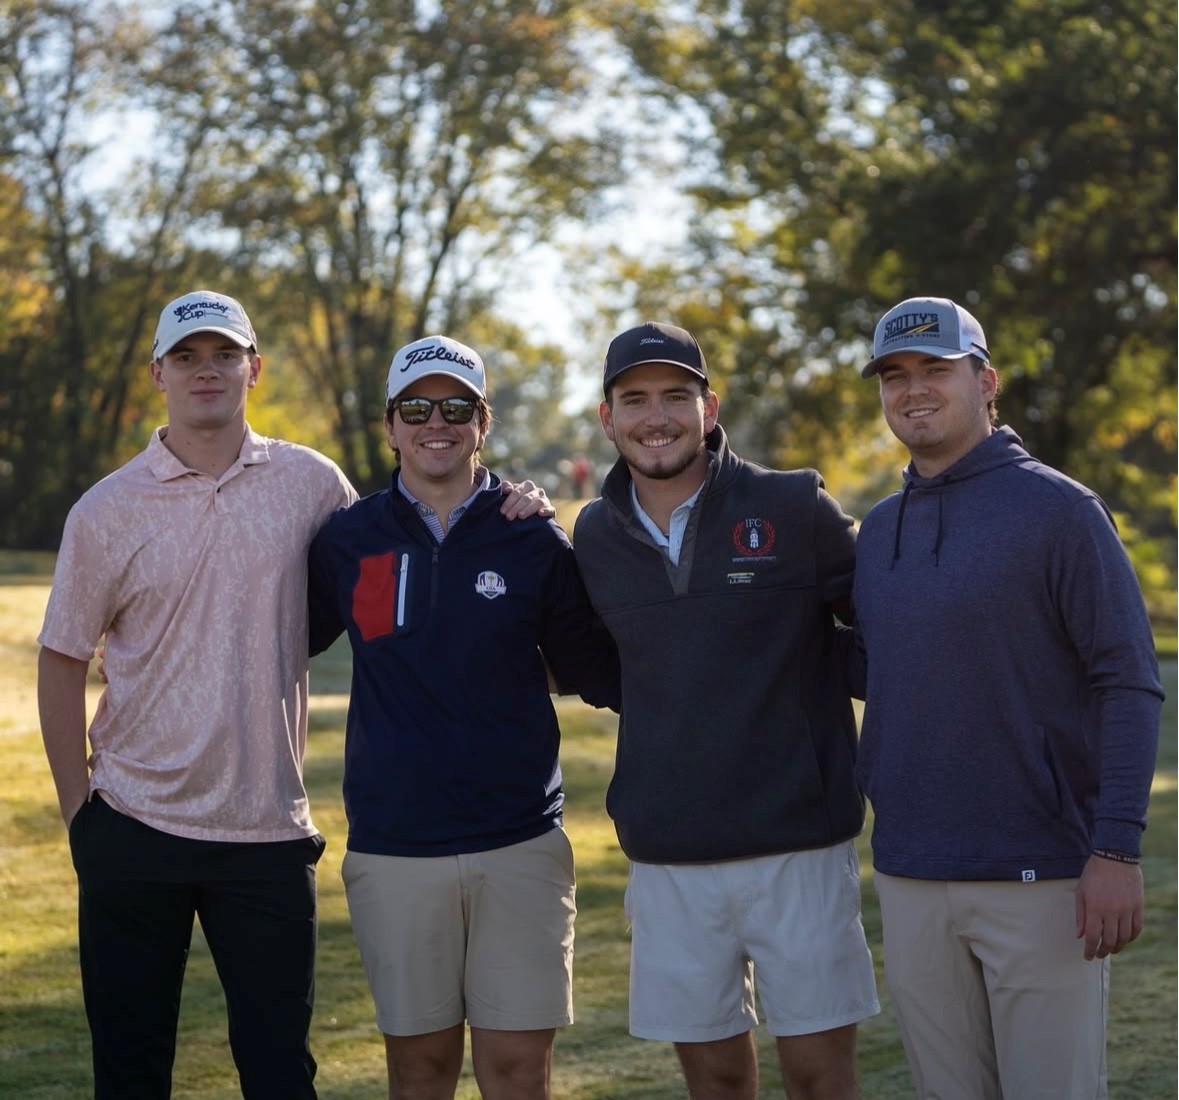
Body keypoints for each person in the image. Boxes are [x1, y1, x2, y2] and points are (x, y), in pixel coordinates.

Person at [36, 291, 552, 1100]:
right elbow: (62, 656)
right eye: (186, 357)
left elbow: (410, 526)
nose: (206, 371)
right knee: (130, 1072)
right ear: (158, 374)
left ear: (255, 368)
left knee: (280, 1074)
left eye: (224, 354)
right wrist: (80, 815)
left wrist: (509, 503)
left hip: (267, 833)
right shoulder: (106, 508)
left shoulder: (311, 484)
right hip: (133, 822)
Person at [852, 296, 1164, 1098]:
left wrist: (1115, 850)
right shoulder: (878, 531)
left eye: (934, 369)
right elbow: (883, 671)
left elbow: (1127, 682)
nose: (912, 389)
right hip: (910, 872)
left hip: (1042, 876)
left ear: (985, 381)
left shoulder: (1060, 511)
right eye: (893, 375)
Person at [306, 334, 619, 1100]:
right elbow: (279, 643)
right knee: (419, 1073)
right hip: (394, 848)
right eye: (416, 408)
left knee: (517, 1073)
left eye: (455, 407)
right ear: (390, 424)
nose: (435, 423)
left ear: (483, 421)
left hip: (519, 842)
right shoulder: (348, 538)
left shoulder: (531, 536)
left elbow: (593, 671)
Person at [572, 322, 879, 1100]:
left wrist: (809, 683)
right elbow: (602, 667)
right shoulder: (594, 534)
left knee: (818, 1078)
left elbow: (882, 630)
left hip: (799, 845)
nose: (656, 417)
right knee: (712, 1080)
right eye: (634, 400)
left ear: (708, 408)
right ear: (607, 418)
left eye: (675, 396)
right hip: (668, 850)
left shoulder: (792, 503)